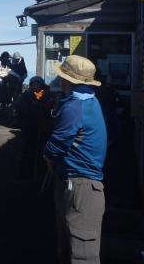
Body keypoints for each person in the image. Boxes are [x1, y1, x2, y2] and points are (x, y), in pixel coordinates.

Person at [44, 55, 107, 264]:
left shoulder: (74, 107)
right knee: (73, 246)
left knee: (81, 255)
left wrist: (48, 157)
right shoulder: (90, 100)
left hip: (79, 185)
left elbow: (56, 144)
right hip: (84, 185)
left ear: (67, 80)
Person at [13, 76, 52, 182]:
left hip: (41, 128)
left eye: (38, 84)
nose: (36, 86)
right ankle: (24, 174)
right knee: (27, 151)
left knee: (39, 152)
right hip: (28, 127)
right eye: (34, 84)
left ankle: (36, 175)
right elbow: (20, 108)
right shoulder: (26, 96)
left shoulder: (46, 94)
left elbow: (48, 109)